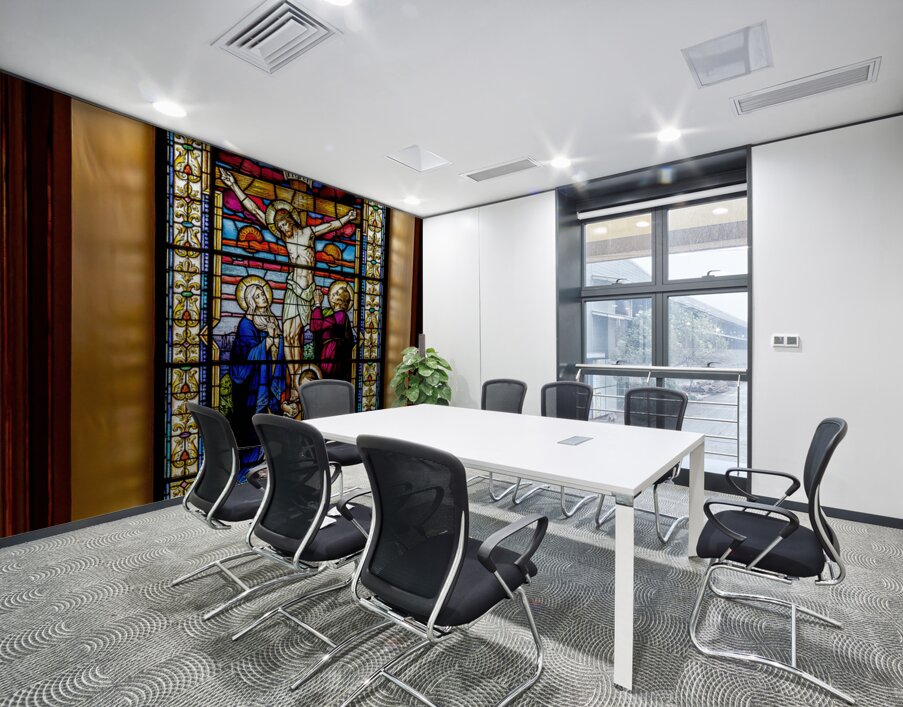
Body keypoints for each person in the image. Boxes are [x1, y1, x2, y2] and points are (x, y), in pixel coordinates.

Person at [219, 167, 357, 404]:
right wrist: (234, 186)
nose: (283, 228)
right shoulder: (285, 238)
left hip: (308, 291)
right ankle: (294, 386)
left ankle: (304, 386)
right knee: (289, 337)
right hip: (293, 288)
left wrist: (345, 219)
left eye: (285, 223)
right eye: (280, 227)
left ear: (292, 219)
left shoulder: (307, 233)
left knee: (305, 338)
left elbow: (329, 226)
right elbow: (256, 212)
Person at [228, 276, 286, 455]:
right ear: (251, 300)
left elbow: (278, 349)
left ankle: (268, 454)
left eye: (264, 294)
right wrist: (269, 340)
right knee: (250, 423)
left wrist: (276, 340)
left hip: (266, 376)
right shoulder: (246, 324)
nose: (264, 298)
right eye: (259, 295)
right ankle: (249, 461)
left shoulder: (270, 319)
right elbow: (248, 355)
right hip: (249, 382)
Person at [311, 281, 357, 380]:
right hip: (330, 352)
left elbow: (317, 325)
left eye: (336, 294)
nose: (332, 294)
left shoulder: (340, 315)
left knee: (328, 378)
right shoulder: (336, 315)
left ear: (340, 301)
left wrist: (318, 304)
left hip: (332, 353)